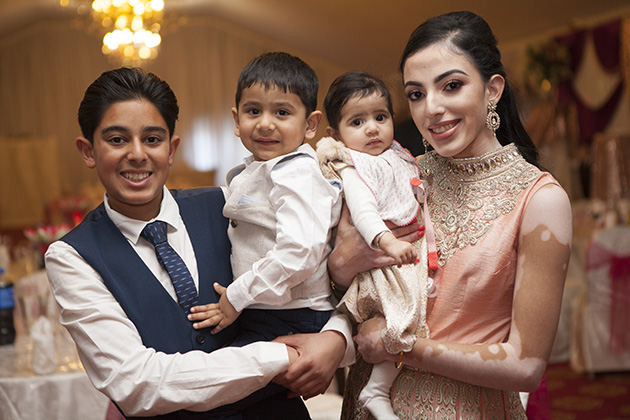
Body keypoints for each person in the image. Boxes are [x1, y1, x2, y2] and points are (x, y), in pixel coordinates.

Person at [44, 66, 355, 419]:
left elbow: (327, 268)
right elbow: (135, 383)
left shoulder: (229, 205)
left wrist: (336, 339)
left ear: (171, 148)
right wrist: (282, 356)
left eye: (152, 139)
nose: (137, 154)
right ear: (88, 151)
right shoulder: (71, 255)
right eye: (117, 140)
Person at [327, 11, 572, 419]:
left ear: (492, 90)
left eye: (451, 86)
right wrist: (339, 267)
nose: (431, 109)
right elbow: (353, 286)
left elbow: (526, 365)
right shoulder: (402, 173)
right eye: (416, 94)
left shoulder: (540, 199)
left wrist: (400, 346)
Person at [185, 52, 342, 417]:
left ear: (310, 124)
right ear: (236, 120)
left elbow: (299, 252)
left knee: (224, 396)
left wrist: (235, 298)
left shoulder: (296, 171)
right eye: (254, 111)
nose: (266, 124)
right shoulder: (256, 169)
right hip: (270, 309)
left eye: (282, 113)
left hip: (293, 314)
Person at [316, 71, 434, 420]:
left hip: (402, 258)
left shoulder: (399, 156)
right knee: (402, 319)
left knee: (413, 317)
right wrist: (388, 242)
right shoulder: (352, 167)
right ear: (336, 135)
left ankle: (377, 387)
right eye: (358, 121)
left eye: (380, 117)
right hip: (381, 265)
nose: (372, 128)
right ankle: (377, 390)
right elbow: (365, 214)